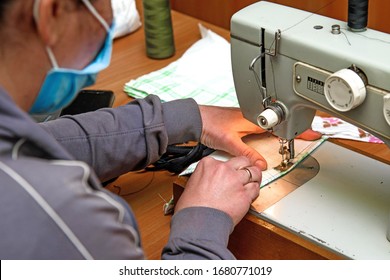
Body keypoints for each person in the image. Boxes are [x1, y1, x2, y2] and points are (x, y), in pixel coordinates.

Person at [0, 0, 320, 259]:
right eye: (104, 16)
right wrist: (201, 222)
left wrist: (181, 118)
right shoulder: (74, 224)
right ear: (53, 10)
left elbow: (43, 142)